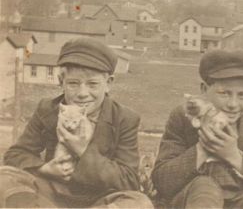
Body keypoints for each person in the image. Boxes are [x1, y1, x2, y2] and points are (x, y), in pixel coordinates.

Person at [0, 37, 153, 208]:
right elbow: (16, 155)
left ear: (108, 83)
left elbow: (129, 181)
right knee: (4, 178)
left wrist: (82, 149)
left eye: (93, 84)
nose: (82, 93)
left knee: (139, 203)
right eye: (73, 83)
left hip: (100, 198)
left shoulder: (124, 118)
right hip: (51, 195)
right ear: (61, 81)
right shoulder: (48, 110)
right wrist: (44, 169)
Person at [152, 49, 243, 208]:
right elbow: (161, 180)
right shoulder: (183, 116)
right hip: (195, 200)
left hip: (242, 201)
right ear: (204, 89)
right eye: (224, 93)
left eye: (242, 95)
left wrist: (234, 156)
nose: (233, 104)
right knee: (204, 188)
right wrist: (203, 150)